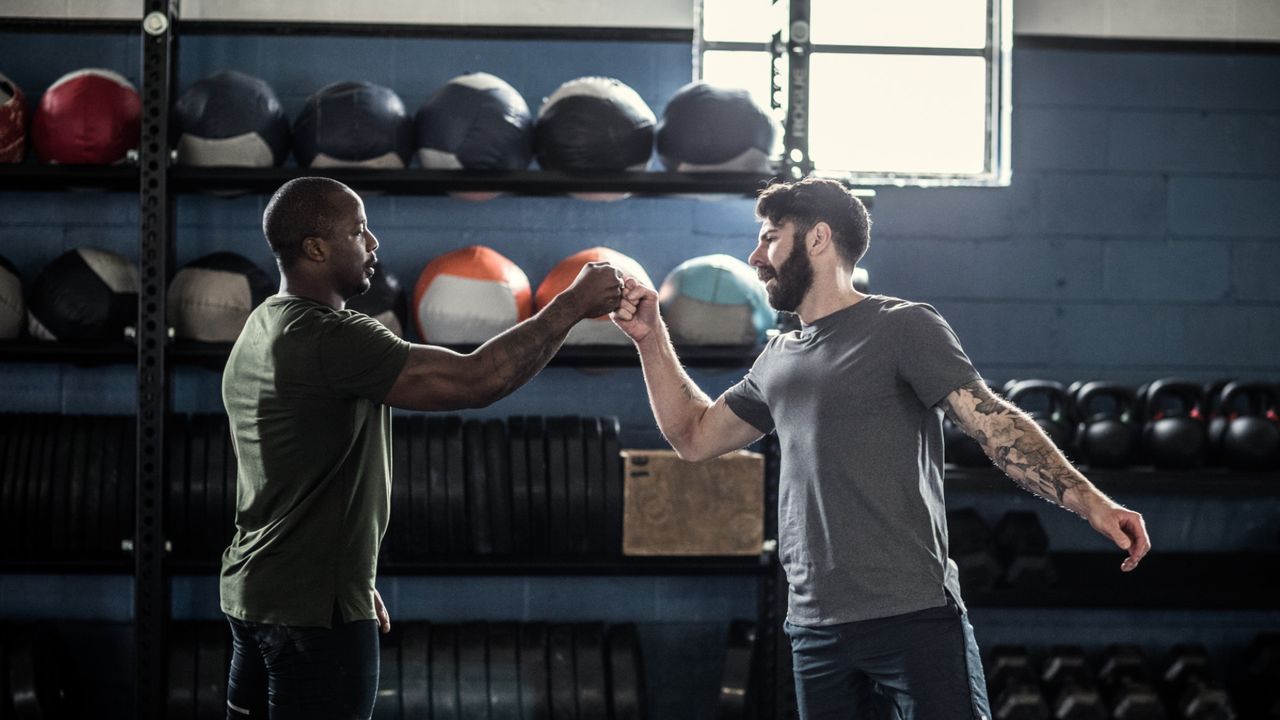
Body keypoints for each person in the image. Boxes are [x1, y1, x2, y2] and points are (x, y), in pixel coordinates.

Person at [610, 177, 1151, 720]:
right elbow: (694, 436)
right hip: (814, 626)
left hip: (911, 615)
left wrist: (1093, 504)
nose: (756, 256)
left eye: (771, 237)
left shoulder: (903, 326)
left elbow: (993, 424)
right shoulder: (777, 357)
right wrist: (650, 337)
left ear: (818, 238)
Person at [219, 176, 624, 720]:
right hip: (312, 614)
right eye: (358, 231)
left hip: (258, 592)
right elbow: (476, 380)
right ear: (315, 248)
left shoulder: (261, 323)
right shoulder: (330, 336)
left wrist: (346, 576)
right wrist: (572, 305)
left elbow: (291, 469)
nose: (374, 244)